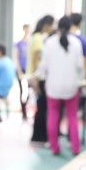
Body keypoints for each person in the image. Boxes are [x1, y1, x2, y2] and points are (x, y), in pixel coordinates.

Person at [36, 16, 86, 156]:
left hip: (53, 86)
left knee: (53, 115)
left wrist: (37, 75)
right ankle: (75, 147)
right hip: (71, 86)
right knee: (72, 117)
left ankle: (55, 147)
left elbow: (43, 66)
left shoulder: (49, 43)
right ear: (70, 27)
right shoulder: (76, 43)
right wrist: (81, 80)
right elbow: (80, 66)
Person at [28, 14, 56, 143]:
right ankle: (39, 135)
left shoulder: (36, 37)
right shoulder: (39, 38)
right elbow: (38, 59)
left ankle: (40, 134)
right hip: (38, 77)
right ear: (46, 25)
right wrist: (35, 78)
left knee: (42, 107)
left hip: (36, 75)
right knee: (42, 107)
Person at [0, 44, 18, 123]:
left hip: (0, 88)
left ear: (0, 52)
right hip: (8, 86)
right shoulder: (9, 61)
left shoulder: (0, 62)